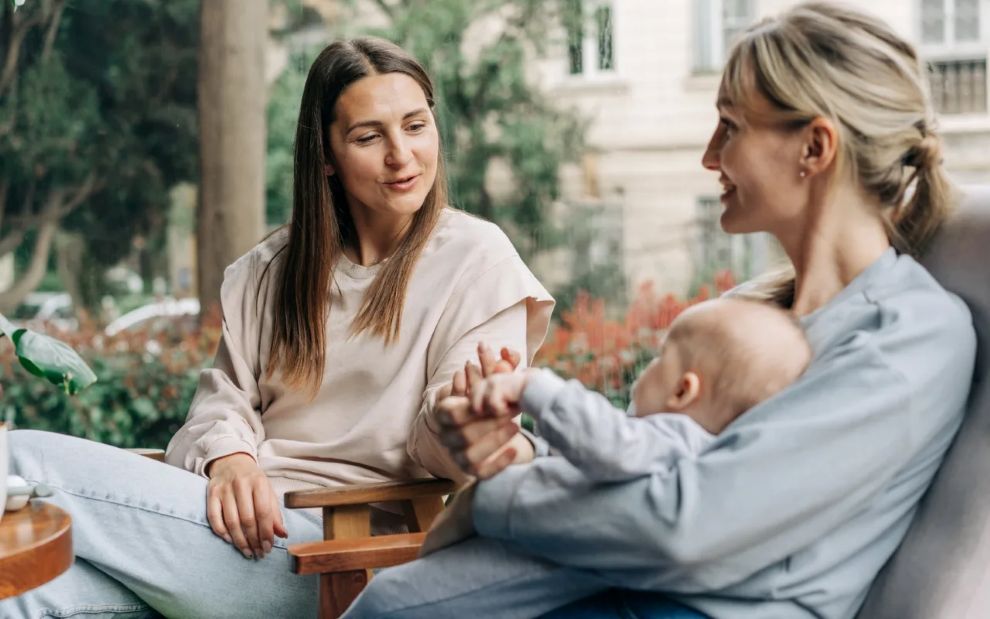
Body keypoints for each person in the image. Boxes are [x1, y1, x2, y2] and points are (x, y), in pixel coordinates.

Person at [343, 3, 978, 618]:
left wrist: (492, 501)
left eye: (730, 125)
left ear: (814, 148)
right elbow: (644, 453)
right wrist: (514, 453)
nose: (708, 155)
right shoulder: (749, 313)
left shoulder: (908, 337)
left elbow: (683, 528)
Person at [3, 37, 552, 618]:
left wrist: (465, 420)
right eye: (369, 137)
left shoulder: (478, 260)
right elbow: (218, 408)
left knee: (20, 462)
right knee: (26, 591)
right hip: (232, 532)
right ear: (326, 157)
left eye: (416, 126)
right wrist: (230, 459)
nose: (401, 155)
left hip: (342, 558)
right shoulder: (269, 271)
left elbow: (444, 441)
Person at [529, 297, 812, 483]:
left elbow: (606, 439)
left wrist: (536, 389)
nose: (649, 365)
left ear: (682, 391)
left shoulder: (679, 442)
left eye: (661, 357)